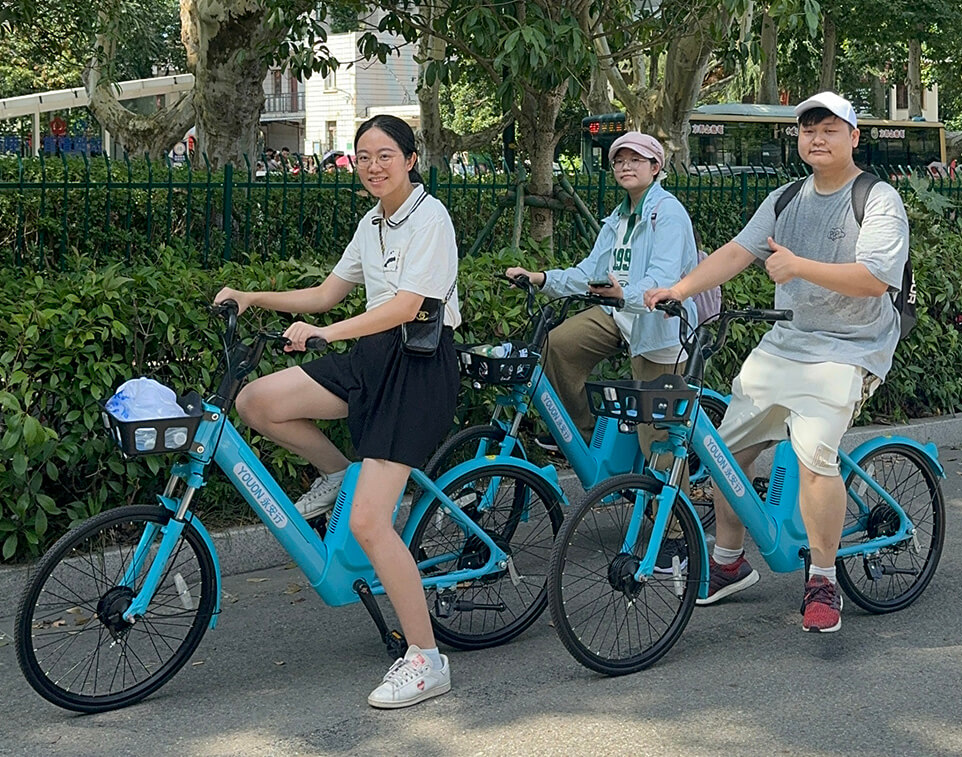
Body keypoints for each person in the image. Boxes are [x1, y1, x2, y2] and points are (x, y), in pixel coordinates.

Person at [214, 114, 460, 708]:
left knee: (369, 524)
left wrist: (329, 334)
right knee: (257, 401)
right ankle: (337, 475)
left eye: (385, 155)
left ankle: (427, 659)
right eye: (364, 156)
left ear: (410, 159)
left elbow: (407, 305)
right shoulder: (371, 222)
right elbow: (327, 294)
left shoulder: (431, 218)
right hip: (372, 355)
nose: (374, 166)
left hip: (418, 366)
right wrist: (254, 297)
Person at [644, 91, 909, 633]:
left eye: (830, 128)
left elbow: (874, 279)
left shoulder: (877, 199)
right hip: (785, 343)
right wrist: (680, 287)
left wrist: (798, 268)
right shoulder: (785, 198)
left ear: (854, 137)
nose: (816, 137)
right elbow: (739, 252)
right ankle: (727, 564)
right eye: (807, 128)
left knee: (814, 457)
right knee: (725, 451)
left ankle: (824, 577)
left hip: (849, 347)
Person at [506, 131, 698, 571]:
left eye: (637, 159)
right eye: (619, 161)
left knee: (660, 433)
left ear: (656, 167)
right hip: (616, 314)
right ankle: (590, 436)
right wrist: (541, 278)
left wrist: (621, 292)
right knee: (558, 346)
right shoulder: (617, 219)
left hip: (658, 325)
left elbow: (664, 278)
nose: (626, 166)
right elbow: (589, 273)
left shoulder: (667, 214)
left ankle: (673, 532)